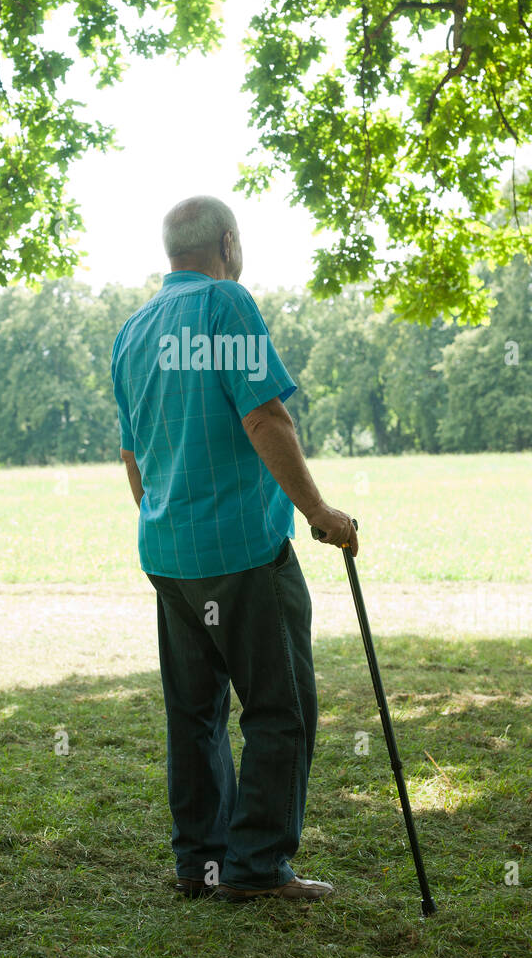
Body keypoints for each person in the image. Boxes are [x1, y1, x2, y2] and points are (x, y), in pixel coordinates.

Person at [110, 195, 358, 902]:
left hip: (169, 555)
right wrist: (318, 512)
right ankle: (256, 869)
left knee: (194, 716)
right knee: (281, 709)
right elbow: (265, 417)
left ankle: (201, 864)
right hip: (244, 553)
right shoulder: (227, 304)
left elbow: (131, 455)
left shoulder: (133, 331)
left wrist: (165, 520)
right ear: (227, 243)